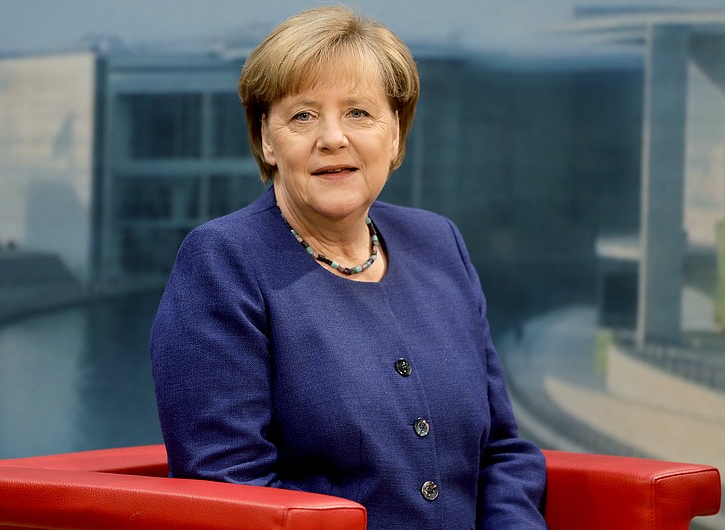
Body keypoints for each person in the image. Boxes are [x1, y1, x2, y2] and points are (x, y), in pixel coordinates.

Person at [151, 6, 547, 529]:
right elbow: (230, 489)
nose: (332, 137)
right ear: (268, 140)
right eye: (303, 115)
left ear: (396, 135)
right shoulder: (222, 261)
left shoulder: (438, 242)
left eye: (359, 113)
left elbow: (502, 452)